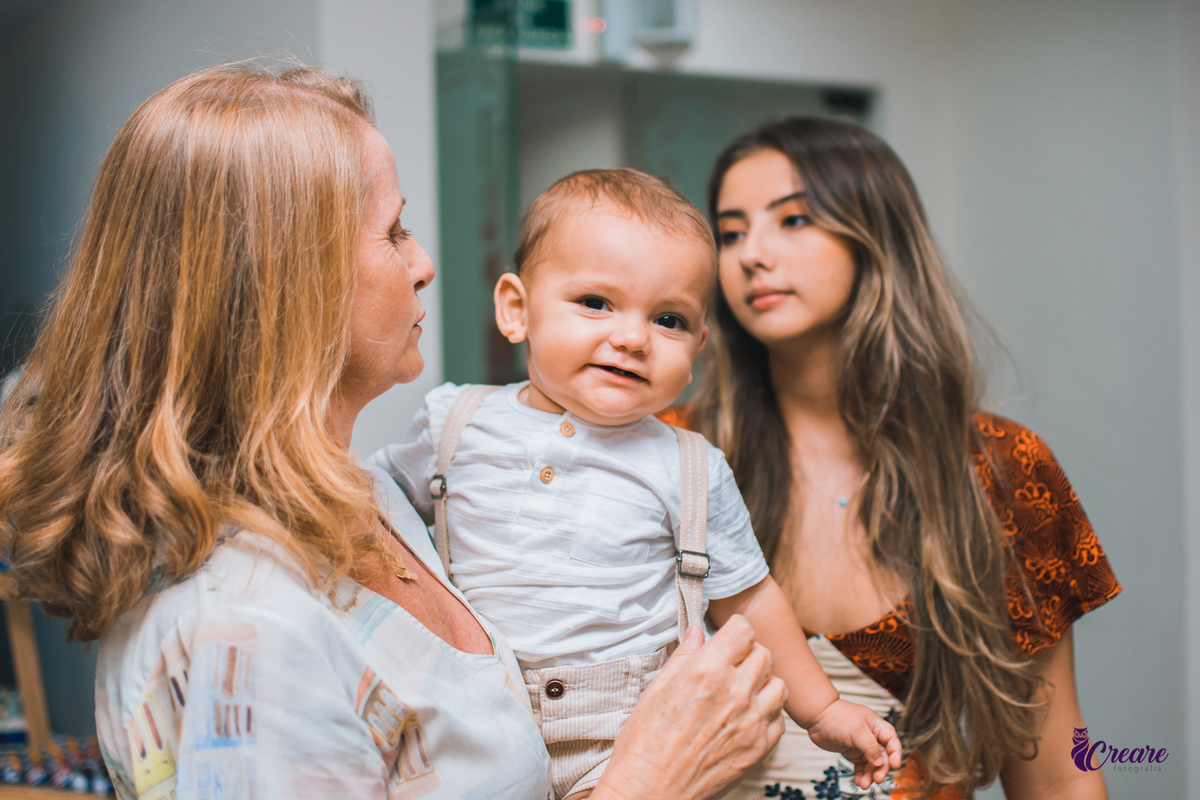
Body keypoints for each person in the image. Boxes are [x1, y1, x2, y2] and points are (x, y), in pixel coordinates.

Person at [0, 63, 788, 800]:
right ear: (286, 283)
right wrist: (649, 777)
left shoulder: (374, 492)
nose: (424, 264)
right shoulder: (238, 634)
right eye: (394, 231)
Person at [370, 169, 902, 800]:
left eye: (669, 320)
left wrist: (822, 710)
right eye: (595, 303)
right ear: (517, 309)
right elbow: (363, 504)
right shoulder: (453, 421)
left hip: (629, 735)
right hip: (477, 723)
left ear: (699, 346)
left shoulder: (688, 465)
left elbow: (751, 601)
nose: (631, 337)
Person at [661, 116, 1121, 799]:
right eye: (730, 232)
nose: (751, 254)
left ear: (877, 235)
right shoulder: (671, 454)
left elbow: (1056, 770)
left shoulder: (1003, 468)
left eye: (793, 220)